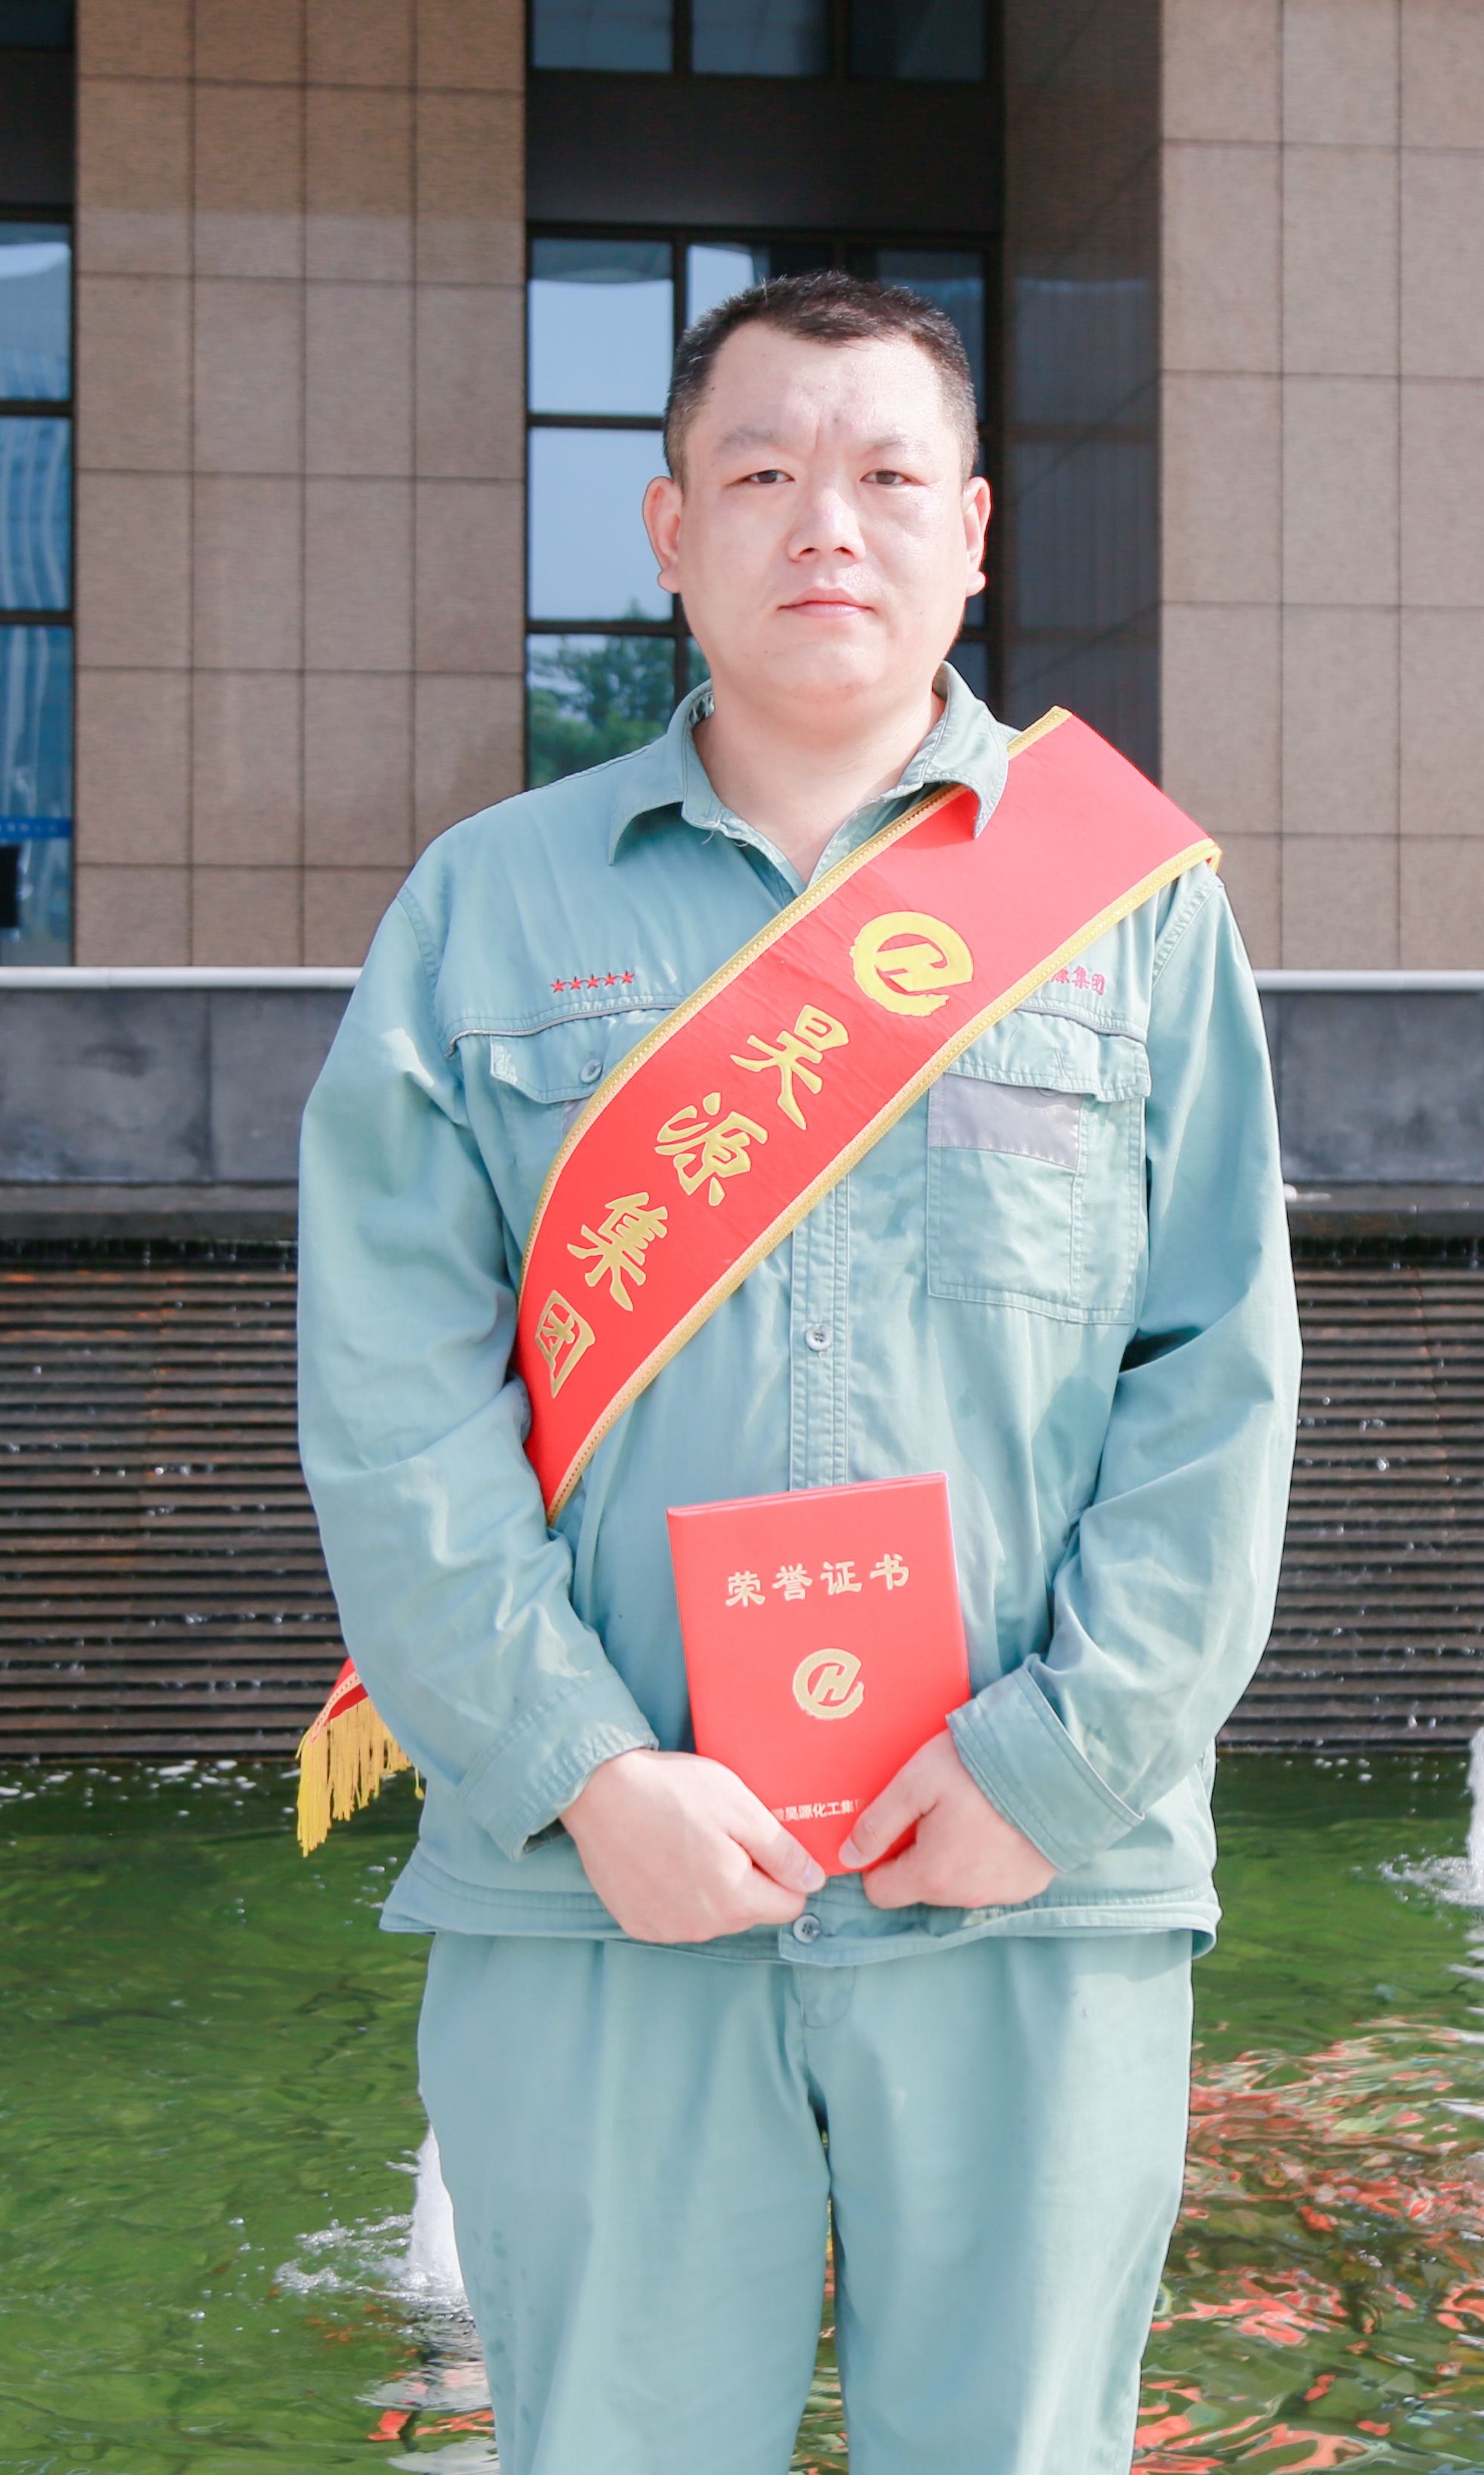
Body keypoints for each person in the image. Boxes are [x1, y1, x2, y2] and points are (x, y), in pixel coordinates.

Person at [296, 270, 1298, 2475]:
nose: (824, 522)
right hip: (601, 1887)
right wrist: (582, 1770)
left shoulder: (1128, 909)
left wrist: (1060, 1765)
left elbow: (1216, 1381)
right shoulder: (484, 910)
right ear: (670, 529)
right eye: (759, 472)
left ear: (974, 532)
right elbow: (393, 1410)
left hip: (1029, 1871)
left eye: (885, 475)